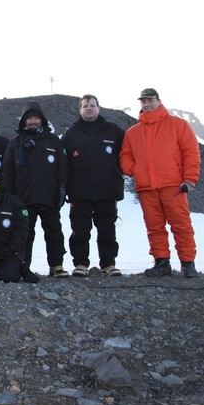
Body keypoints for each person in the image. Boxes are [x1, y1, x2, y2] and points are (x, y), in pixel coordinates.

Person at [120, 88, 201, 278]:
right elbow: (125, 157)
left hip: (173, 186)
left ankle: (188, 264)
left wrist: (189, 179)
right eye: (143, 101)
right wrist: (135, 169)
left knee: (181, 225)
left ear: (158, 101)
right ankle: (161, 262)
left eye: (150, 100)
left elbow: (191, 153)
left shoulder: (178, 125)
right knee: (154, 227)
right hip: (147, 188)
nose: (147, 104)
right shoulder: (132, 133)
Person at [2, 102, 69, 279]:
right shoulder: (15, 143)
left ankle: (56, 265)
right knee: (25, 234)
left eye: (36, 118)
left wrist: (62, 188)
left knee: (54, 232)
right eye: (29, 118)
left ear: (42, 120)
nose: (33, 121)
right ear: (24, 121)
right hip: (23, 198)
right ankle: (24, 266)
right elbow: (8, 172)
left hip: (49, 196)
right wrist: (10, 197)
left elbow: (62, 168)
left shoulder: (53, 141)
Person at [61, 95, 125, 277]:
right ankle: (81, 264)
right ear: (80, 109)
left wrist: (119, 179)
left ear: (99, 108)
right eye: (85, 106)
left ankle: (109, 264)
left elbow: (125, 156)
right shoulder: (70, 134)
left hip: (107, 191)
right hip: (79, 192)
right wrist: (63, 187)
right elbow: (63, 163)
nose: (89, 108)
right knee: (80, 231)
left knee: (107, 230)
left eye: (92, 105)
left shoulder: (113, 131)